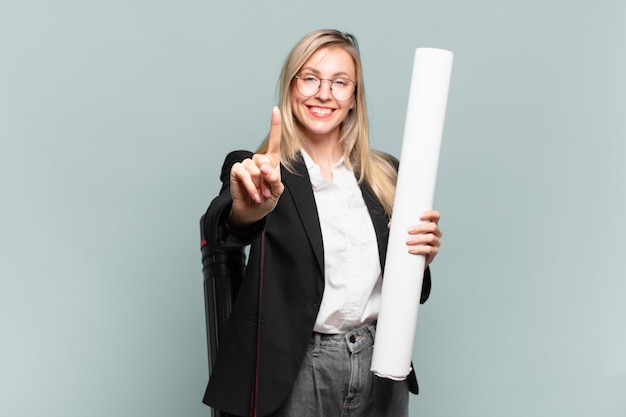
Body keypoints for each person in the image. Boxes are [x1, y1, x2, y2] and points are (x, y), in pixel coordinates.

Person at [202, 29, 442, 417]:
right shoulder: (261, 170)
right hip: (295, 367)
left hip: (381, 361)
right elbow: (220, 229)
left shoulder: (388, 176)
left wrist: (419, 258)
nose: (324, 93)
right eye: (310, 77)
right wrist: (247, 210)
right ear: (291, 86)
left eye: (340, 82)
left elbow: (409, 290)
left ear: (354, 98)